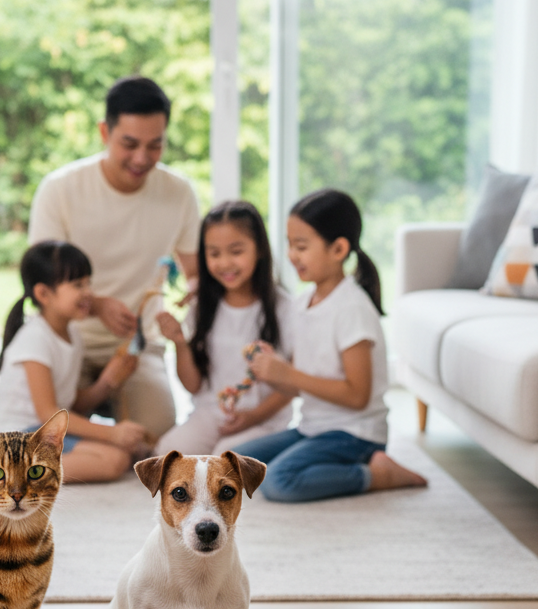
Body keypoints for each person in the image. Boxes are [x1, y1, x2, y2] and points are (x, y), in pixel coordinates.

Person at [28, 76, 200, 440]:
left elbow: (196, 274)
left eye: (155, 145)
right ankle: (93, 420)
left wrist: (198, 299)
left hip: (137, 347)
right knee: (42, 435)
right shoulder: (60, 189)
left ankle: (97, 420)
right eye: (130, 144)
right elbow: (39, 282)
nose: (142, 158)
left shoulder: (179, 193)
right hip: (67, 340)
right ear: (105, 132)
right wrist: (98, 305)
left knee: (154, 436)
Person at [233, 188, 427, 501]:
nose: (292, 255)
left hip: (355, 434)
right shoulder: (302, 304)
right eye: (289, 245)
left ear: (338, 249)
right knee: (236, 463)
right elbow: (303, 384)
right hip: (314, 427)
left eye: (302, 246)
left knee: (279, 482)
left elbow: (357, 396)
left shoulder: (351, 308)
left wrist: (290, 375)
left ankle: (376, 474)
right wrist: (274, 372)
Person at [0, 240, 150, 482]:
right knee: (113, 460)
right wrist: (111, 433)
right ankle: (15, 473)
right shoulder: (35, 338)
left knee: (124, 452)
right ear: (44, 294)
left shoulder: (72, 333)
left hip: (42, 431)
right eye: (77, 285)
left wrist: (108, 381)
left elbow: (69, 403)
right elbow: (48, 413)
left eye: (88, 283)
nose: (88, 293)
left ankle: (29, 469)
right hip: (18, 436)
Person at [153, 200, 295, 456]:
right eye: (214, 254)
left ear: (260, 249)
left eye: (236, 251)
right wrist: (179, 344)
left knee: (225, 458)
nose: (225, 263)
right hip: (210, 414)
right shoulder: (200, 307)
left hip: (264, 419)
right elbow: (194, 386)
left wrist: (253, 417)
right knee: (167, 453)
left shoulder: (284, 307)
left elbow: (291, 385)